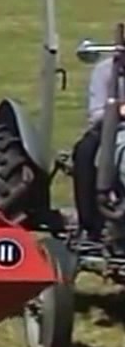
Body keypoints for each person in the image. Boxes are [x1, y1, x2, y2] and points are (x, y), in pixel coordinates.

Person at [71, 55, 125, 243]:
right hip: (112, 129)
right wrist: (118, 110)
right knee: (84, 153)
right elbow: (96, 115)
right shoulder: (105, 71)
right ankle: (90, 224)